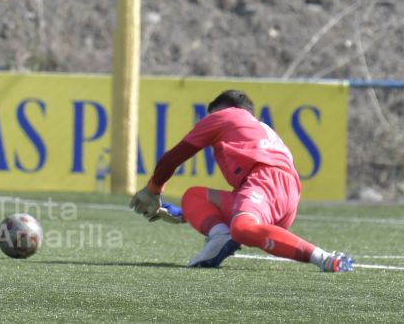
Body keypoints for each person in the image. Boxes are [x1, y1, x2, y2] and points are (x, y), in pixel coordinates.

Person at [129, 90, 354, 272]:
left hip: (263, 180)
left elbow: (173, 157)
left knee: (242, 229)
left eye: (211, 114)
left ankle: (324, 258)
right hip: (286, 196)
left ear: (224, 110)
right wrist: (184, 215)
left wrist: (153, 189)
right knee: (193, 196)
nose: (208, 120)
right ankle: (219, 234)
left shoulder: (224, 116)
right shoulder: (264, 130)